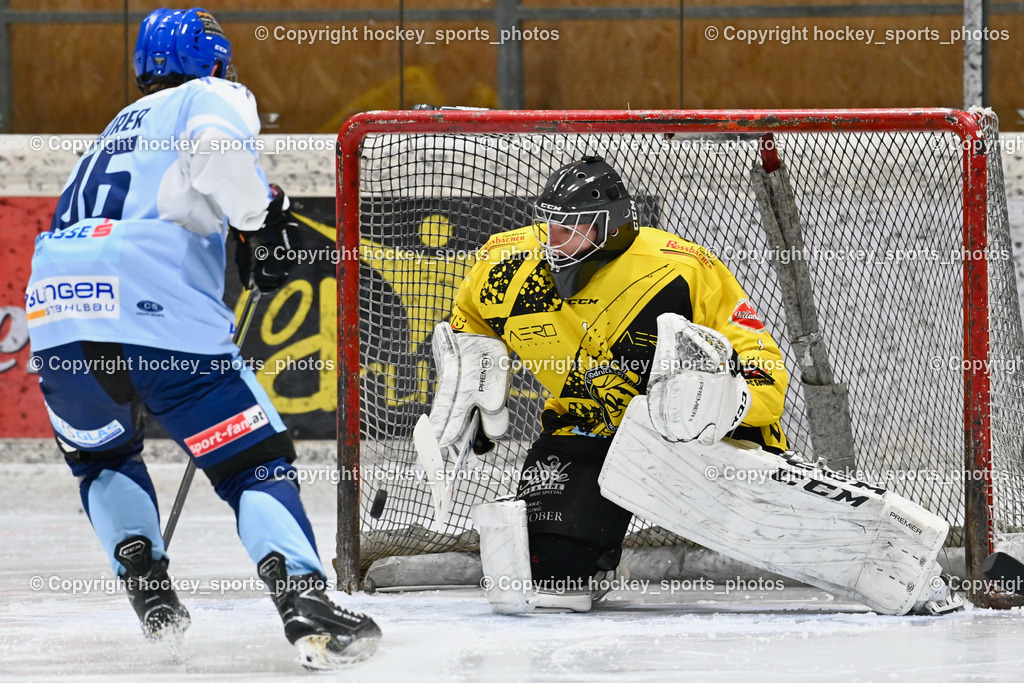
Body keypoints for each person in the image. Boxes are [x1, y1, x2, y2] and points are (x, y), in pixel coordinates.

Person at [427, 155, 961, 616]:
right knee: (547, 581)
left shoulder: (680, 269)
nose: (555, 242)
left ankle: (904, 561)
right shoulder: (505, 261)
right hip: (585, 428)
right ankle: (588, 550)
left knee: (800, 531)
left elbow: (760, 359)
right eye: (550, 226)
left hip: (688, 437)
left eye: (573, 228)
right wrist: (474, 374)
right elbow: (469, 320)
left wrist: (734, 402)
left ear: (611, 226)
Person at [25, 8, 379, 668]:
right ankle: (305, 602)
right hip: (153, 313)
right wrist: (260, 215)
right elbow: (220, 156)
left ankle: (151, 596)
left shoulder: (107, 137)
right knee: (252, 462)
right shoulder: (209, 95)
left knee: (102, 458)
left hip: (56, 318)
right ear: (211, 62)